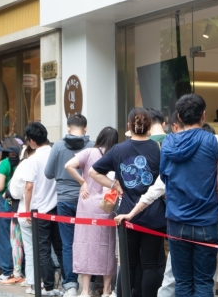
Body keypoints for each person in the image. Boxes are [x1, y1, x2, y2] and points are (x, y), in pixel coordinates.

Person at [91, 108, 166, 297]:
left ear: (128, 126)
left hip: (126, 216)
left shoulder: (118, 149)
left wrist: (115, 185)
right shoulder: (158, 149)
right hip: (154, 215)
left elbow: (93, 172)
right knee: (150, 266)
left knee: (127, 264)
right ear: (149, 127)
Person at [159, 95, 218, 296]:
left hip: (176, 220)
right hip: (206, 220)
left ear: (179, 116)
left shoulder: (168, 143)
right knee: (203, 283)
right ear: (204, 115)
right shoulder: (213, 141)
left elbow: (164, 176)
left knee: (182, 283)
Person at [65, 127, 119, 297]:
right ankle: (107, 290)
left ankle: (85, 290)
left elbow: (68, 166)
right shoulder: (116, 153)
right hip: (107, 202)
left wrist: (84, 181)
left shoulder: (89, 152)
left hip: (87, 204)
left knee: (85, 245)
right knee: (108, 246)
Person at [44, 114, 94, 296]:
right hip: (86, 199)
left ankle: (71, 285)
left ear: (68, 128)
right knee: (89, 241)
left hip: (64, 199)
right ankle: (92, 284)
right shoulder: (92, 146)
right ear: (86, 128)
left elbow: (48, 173)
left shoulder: (57, 146)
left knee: (68, 244)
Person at [22, 121, 64, 296]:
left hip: (40, 210)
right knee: (61, 247)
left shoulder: (33, 159)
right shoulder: (58, 154)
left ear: (31, 141)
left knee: (43, 249)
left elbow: (28, 187)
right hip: (59, 208)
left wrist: (27, 209)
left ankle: (48, 286)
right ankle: (68, 283)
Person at [0, 138, 24, 285]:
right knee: (21, 237)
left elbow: (0, 187)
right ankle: (21, 270)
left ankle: (7, 271)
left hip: (6, 203)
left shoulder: (4, 164)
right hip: (21, 203)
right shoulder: (23, 162)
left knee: (6, 237)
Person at [10, 145, 35, 294]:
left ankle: (33, 282)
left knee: (30, 247)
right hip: (49, 210)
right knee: (46, 247)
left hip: (27, 211)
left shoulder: (25, 164)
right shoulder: (51, 158)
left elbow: (17, 191)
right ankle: (48, 281)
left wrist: (27, 208)